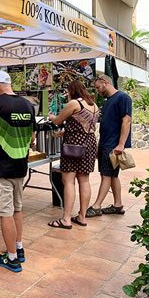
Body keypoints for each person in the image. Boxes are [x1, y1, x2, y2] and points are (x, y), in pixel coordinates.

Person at [0, 70, 35, 273]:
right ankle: (19, 248)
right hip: (20, 166)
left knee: (5, 214)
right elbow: (33, 136)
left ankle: (11, 258)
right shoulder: (28, 104)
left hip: (0, 167)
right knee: (17, 210)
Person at [47, 81, 99, 229]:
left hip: (74, 146)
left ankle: (66, 219)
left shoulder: (74, 103)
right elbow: (84, 126)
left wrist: (51, 117)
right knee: (84, 180)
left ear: (72, 90)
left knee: (68, 180)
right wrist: (65, 132)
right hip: (89, 144)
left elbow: (58, 120)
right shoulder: (93, 105)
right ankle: (82, 217)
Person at [86, 75, 132, 217]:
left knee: (106, 174)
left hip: (113, 145)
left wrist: (121, 144)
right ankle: (118, 205)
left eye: (98, 87)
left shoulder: (123, 98)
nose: (98, 90)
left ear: (106, 83)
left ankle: (97, 205)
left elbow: (127, 121)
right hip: (106, 142)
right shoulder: (108, 101)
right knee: (112, 175)